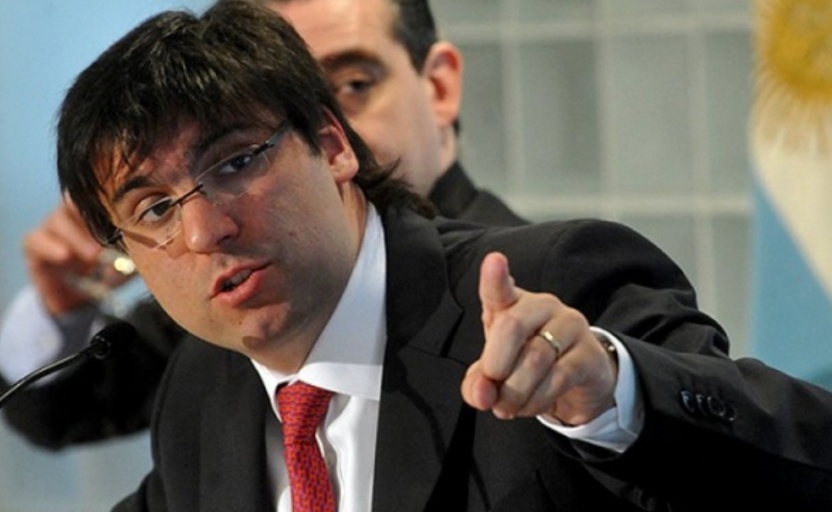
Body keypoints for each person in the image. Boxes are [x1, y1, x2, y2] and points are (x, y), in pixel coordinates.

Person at [52, 2, 832, 510]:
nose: (204, 232)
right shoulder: (203, 384)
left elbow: (806, 460)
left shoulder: (552, 285)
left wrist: (613, 395)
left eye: (234, 163)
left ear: (332, 145)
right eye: (153, 209)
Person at [0, 0, 526, 448]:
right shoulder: (232, 291)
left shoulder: (534, 287)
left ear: (438, 87)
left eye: (351, 84)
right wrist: (63, 306)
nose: (204, 231)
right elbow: (63, 410)